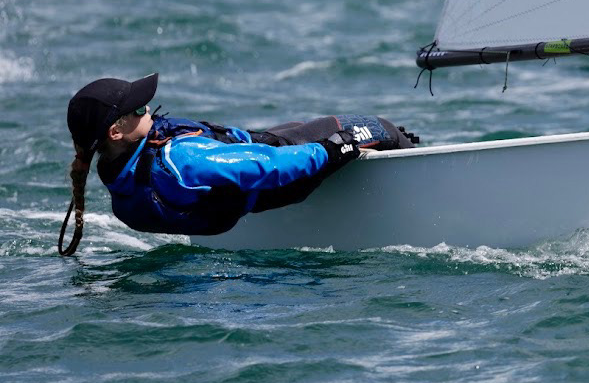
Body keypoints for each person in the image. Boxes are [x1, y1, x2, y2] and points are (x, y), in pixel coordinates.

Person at [59, 72, 419, 255]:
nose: (148, 108)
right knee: (381, 128)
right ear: (116, 131)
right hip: (279, 173)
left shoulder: (121, 184)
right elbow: (268, 164)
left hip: (255, 172)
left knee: (298, 126)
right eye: (138, 109)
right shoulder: (181, 159)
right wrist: (330, 150)